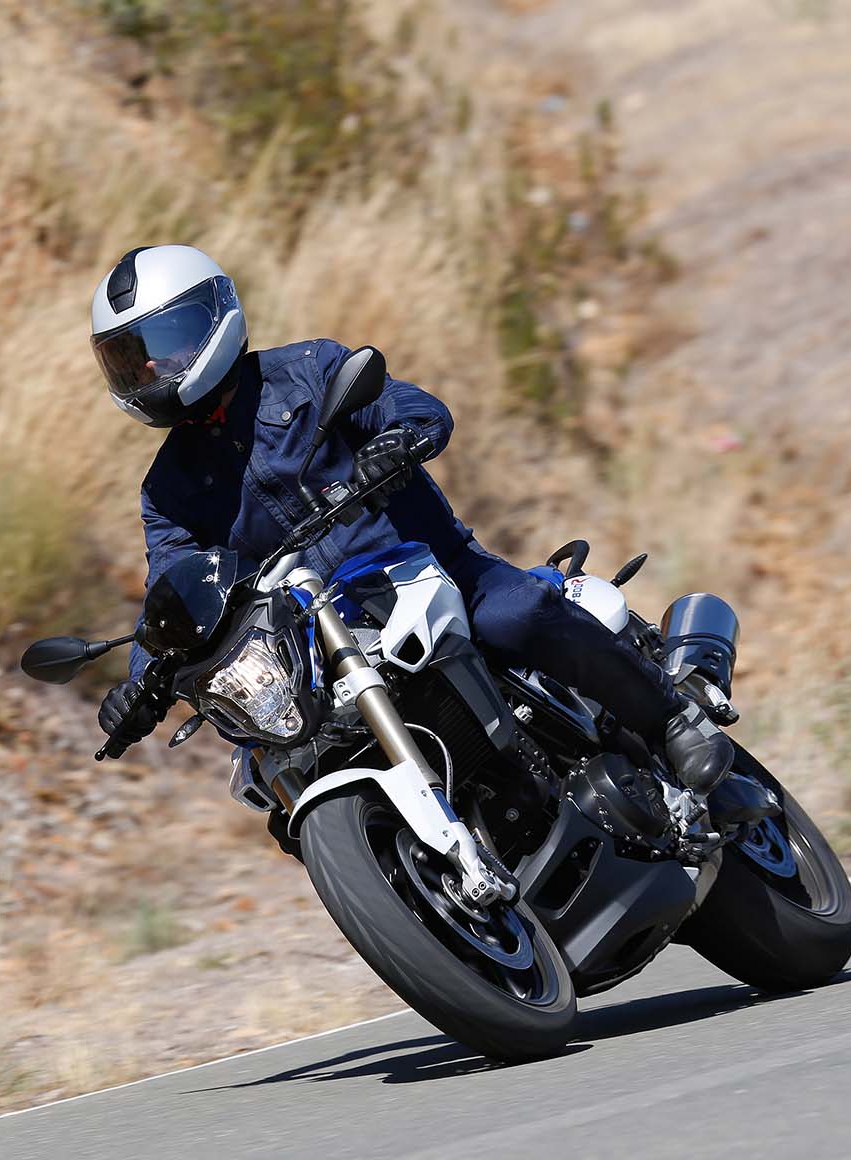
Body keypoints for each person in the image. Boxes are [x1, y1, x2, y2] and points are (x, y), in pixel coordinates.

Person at [88, 244, 735, 792]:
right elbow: (171, 592)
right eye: (129, 358)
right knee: (272, 772)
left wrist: (398, 441)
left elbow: (416, 409)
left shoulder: (307, 373)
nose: (148, 369)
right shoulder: (167, 489)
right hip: (320, 646)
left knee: (518, 613)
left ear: (212, 319)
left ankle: (671, 719)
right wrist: (143, 681)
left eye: (160, 346)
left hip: (436, 573)